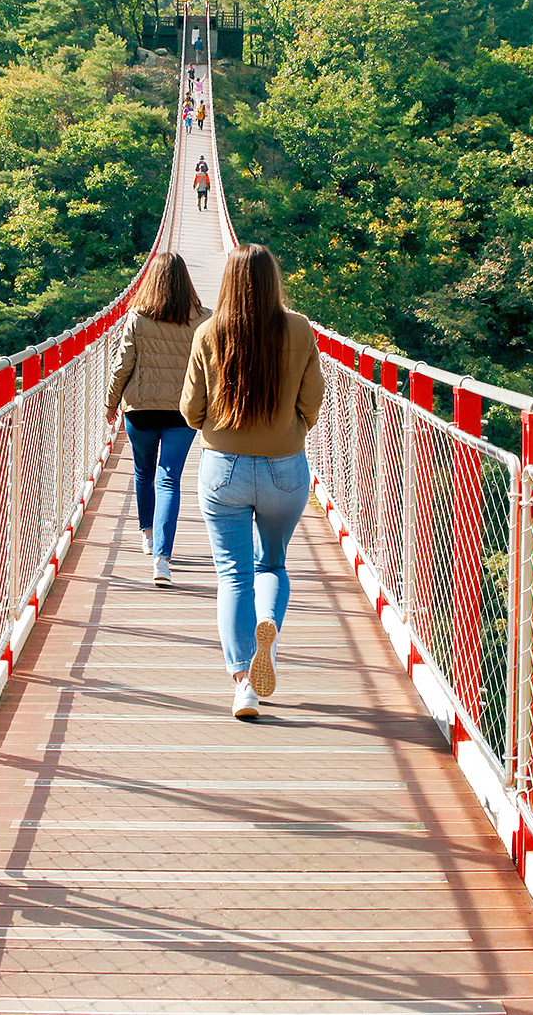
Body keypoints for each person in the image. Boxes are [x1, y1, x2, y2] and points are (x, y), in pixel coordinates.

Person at [181, 244, 325, 719]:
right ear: (272, 281)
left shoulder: (208, 332)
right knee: (273, 564)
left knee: (232, 575)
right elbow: (312, 402)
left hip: (224, 469)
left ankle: (244, 682)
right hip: (285, 468)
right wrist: (291, 429)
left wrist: (216, 425)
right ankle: (268, 626)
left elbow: (189, 410)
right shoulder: (301, 329)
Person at [104, 253, 208, 586]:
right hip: (182, 410)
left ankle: (147, 535)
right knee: (169, 478)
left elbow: (123, 365)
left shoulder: (137, 317)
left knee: (143, 472)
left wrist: (111, 402)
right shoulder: (204, 319)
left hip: (141, 407)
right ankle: (163, 559)